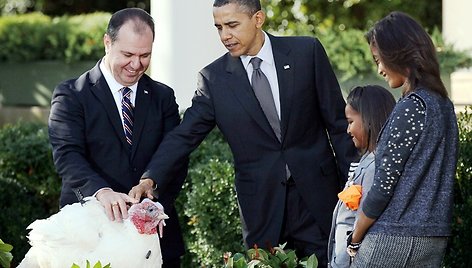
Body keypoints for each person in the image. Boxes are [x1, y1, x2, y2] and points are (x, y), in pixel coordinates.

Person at [129, 0, 356, 266]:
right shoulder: (213, 79)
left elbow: (339, 125)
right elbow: (184, 136)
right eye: (219, 27)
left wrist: (355, 186)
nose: (225, 35)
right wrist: (150, 178)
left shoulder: (306, 53)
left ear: (258, 19)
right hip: (262, 209)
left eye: (232, 25)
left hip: (319, 199)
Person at [48, 8, 188, 267]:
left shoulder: (163, 97)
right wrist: (101, 192)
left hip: (155, 242)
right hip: (91, 238)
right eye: (128, 54)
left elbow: (174, 155)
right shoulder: (71, 95)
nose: (136, 65)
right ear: (107, 43)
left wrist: (153, 192)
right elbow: (67, 156)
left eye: (145, 55)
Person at [346, 11, 459, 267]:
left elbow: (383, 188)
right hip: (434, 237)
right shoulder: (444, 106)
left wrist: (355, 236)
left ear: (397, 53)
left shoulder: (411, 106)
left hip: (394, 238)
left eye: (379, 60)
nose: (379, 70)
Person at [327, 85, 396, 268]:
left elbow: (361, 220)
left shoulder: (375, 166)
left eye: (350, 122)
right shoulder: (367, 160)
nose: (348, 130)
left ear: (369, 120)